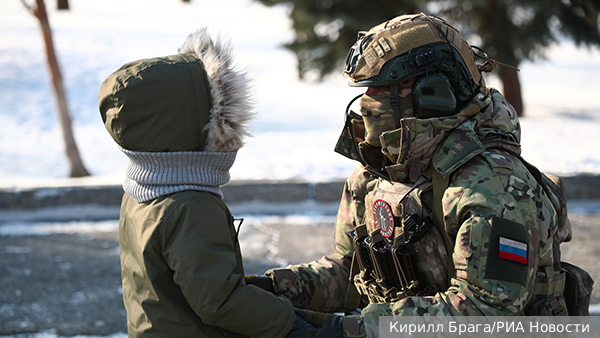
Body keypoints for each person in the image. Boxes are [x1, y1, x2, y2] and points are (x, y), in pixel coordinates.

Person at [247, 13, 592, 336]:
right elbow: (351, 272)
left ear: (433, 96)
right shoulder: (373, 174)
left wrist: (353, 330)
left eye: (380, 89)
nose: (366, 103)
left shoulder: (493, 185)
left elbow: (483, 312)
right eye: (365, 90)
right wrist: (275, 288)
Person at [98, 28, 303, 337]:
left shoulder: (144, 187)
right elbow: (220, 302)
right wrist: (298, 323)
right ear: (191, 123)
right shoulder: (189, 204)